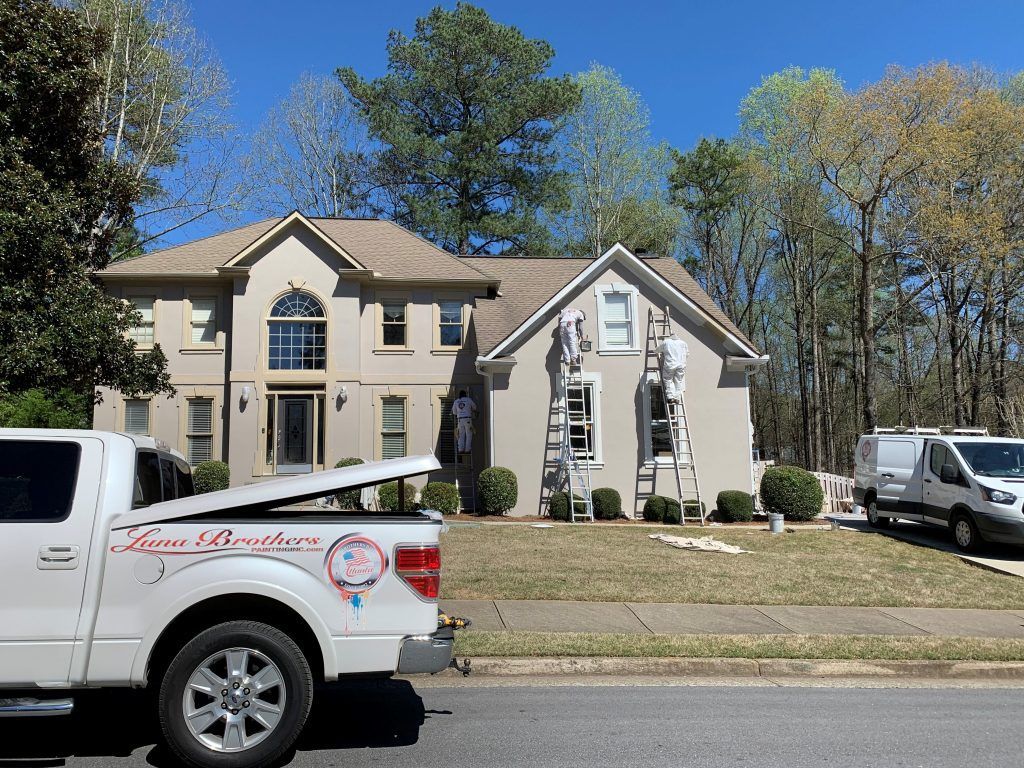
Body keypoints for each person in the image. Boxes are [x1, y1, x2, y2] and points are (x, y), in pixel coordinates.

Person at [657, 332, 688, 402]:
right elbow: (687, 354)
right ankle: (677, 397)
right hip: (681, 365)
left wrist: (655, 351)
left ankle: (670, 397)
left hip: (670, 364)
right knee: (678, 381)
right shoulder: (683, 343)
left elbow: (658, 349)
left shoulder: (666, 342)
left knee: (668, 380)